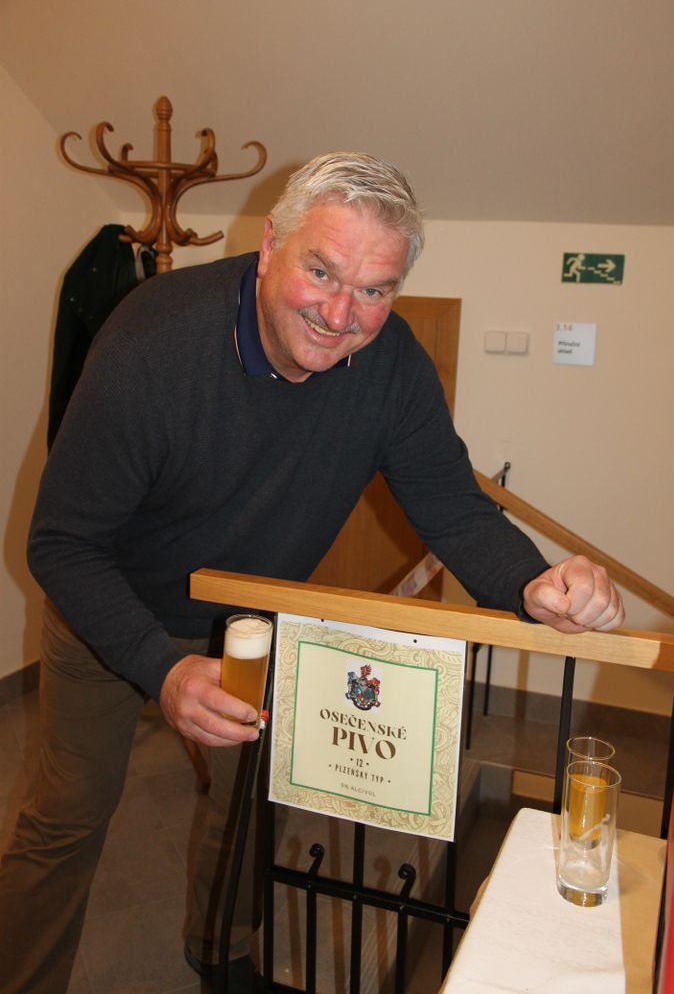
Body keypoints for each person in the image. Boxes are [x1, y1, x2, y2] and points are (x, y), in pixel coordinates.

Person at [0, 152, 624, 993]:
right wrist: (161, 667)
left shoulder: (391, 365)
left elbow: (452, 505)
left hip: (251, 621)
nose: (340, 315)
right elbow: (63, 544)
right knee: (65, 818)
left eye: (374, 289)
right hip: (109, 606)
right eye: (321, 271)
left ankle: (221, 952)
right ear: (270, 248)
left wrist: (528, 584)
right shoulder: (151, 344)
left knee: (249, 805)